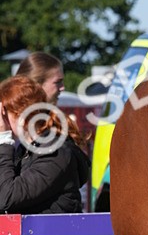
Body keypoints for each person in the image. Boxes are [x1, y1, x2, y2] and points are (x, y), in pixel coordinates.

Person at [0, 76, 89, 214]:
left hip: (57, 234)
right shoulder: (24, 152)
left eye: (4, 114)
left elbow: (7, 198)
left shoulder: (56, 152)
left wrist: (4, 140)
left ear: (22, 116)